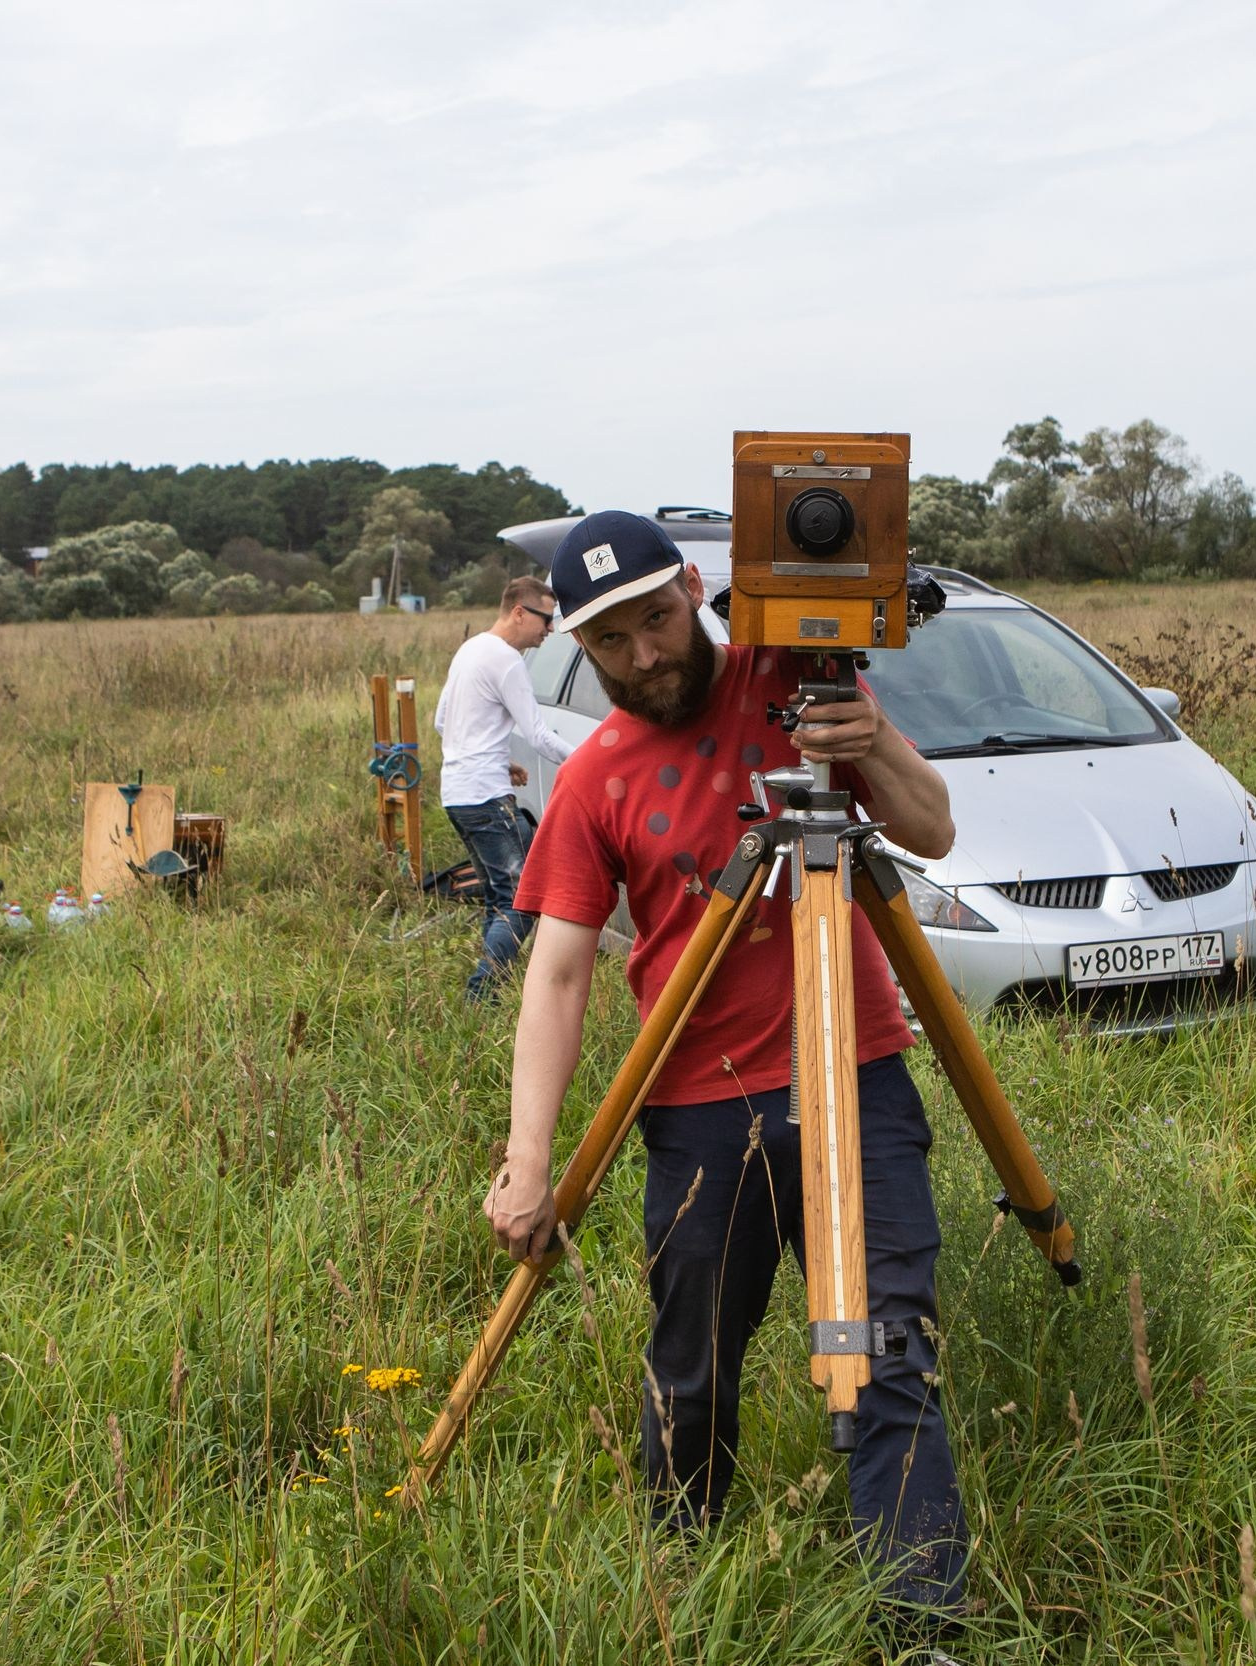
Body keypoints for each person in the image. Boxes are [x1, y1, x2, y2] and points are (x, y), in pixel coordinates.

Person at [487, 510, 968, 1625]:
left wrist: (869, 744)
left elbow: (933, 830)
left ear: (695, 589)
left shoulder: (797, 689)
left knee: (891, 1347)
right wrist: (528, 1158)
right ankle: (685, 1596)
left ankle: (922, 1625)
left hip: (857, 1071)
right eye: (610, 642)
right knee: (692, 1360)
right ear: (579, 645)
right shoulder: (595, 778)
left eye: (657, 619)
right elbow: (555, 976)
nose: (645, 655)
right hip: (699, 1106)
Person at [433, 574, 573, 999]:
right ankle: (480, 993)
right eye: (546, 619)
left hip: (457, 794)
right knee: (521, 900)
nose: (550, 629)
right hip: (486, 796)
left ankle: (489, 996)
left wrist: (500, 760)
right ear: (518, 612)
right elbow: (540, 736)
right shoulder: (508, 660)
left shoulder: (471, 649)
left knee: (500, 895)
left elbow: (442, 721)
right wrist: (591, 762)